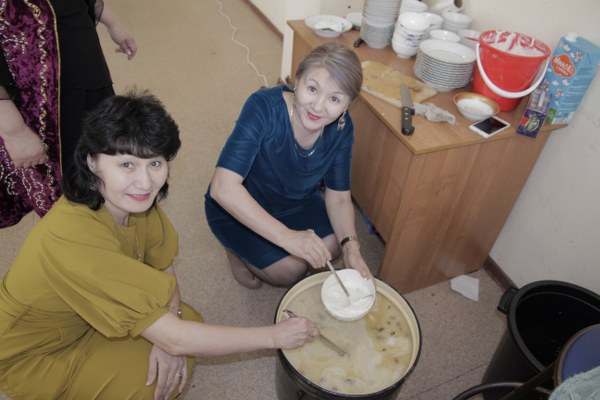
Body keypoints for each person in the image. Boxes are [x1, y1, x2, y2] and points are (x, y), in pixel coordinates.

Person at [0, 91, 318, 400]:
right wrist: (275, 336)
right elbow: (176, 335)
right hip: (36, 353)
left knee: (186, 323)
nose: (145, 183)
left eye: (155, 163)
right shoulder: (73, 237)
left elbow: (164, 266)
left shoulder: (133, 204)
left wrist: (170, 336)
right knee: (153, 382)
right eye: (127, 165)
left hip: (91, 314)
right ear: (92, 162)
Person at [205, 42, 374, 289]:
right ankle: (234, 250)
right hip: (241, 203)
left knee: (334, 246)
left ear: (348, 104)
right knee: (290, 271)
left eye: (335, 98)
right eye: (312, 89)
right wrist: (288, 238)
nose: (318, 106)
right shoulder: (263, 106)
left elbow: (338, 198)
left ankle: (282, 249)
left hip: (296, 201)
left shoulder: (343, 127)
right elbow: (223, 187)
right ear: (298, 80)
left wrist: (352, 247)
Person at [0, 0, 137, 228]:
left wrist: (112, 23)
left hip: (88, 78)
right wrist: (15, 132)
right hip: (43, 107)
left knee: (104, 162)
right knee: (67, 190)